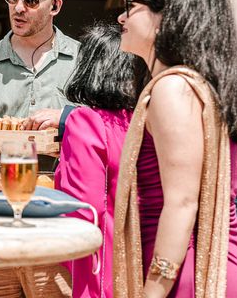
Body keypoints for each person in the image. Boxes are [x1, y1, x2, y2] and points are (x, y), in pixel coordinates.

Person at [113, 0, 237, 297]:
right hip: (197, 264)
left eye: (131, 5)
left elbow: (182, 203)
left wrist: (153, 291)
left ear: (166, 16)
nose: (121, 17)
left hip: (187, 273)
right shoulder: (198, 85)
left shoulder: (172, 90)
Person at [54, 23, 145, 298]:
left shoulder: (86, 122)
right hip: (141, 255)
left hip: (100, 263)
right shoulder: (142, 120)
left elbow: (84, 209)